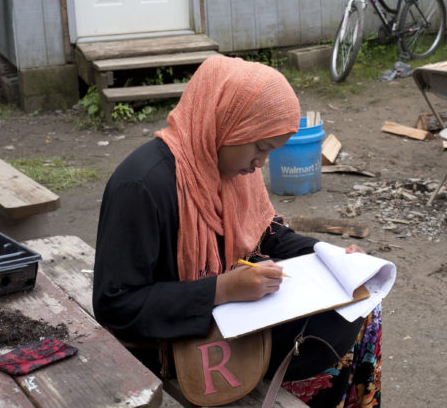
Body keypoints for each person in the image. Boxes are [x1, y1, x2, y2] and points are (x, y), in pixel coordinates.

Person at [92, 56, 381, 407]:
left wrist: (331, 258)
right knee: (335, 327)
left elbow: (267, 236)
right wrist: (220, 289)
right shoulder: (142, 186)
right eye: (259, 148)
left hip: (229, 319)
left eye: (269, 152)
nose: (260, 164)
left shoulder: (231, 172)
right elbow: (115, 305)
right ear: (226, 123)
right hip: (173, 343)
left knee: (358, 303)